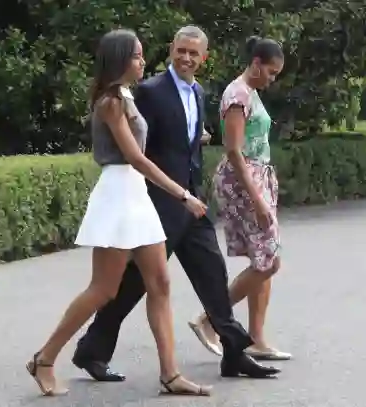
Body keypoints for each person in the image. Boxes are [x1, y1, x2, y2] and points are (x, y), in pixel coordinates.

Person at [71, 25, 281, 382]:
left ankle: (234, 353)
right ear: (171, 49)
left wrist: (193, 167)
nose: (186, 58)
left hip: (191, 199)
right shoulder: (149, 91)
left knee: (213, 275)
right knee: (134, 284)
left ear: (204, 58)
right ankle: (92, 350)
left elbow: (184, 143)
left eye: (193, 53)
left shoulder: (198, 91)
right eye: (180, 50)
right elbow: (136, 146)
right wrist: (171, 191)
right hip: (159, 202)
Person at [25, 28, 212, 397]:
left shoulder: (127, 95)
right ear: (120, 60)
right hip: (119, 195)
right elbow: (136, 158)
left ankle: (170, 375)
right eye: (138, 56)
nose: (144, 61)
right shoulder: (111, 101)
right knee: (103, 289)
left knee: (160, 283)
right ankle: (44, 359)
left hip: (135, 196)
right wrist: (182, 194)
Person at [189, 36, 291, 361]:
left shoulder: (252, 93)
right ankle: (209, 318)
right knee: (269, 262)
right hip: (242, 182)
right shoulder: (237, 95)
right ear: (257, 63)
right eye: (271, 72)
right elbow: (234, 151)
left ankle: (256, 339)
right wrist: (258, 199)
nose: (272, 79)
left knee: (261, 260)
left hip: (258, 178)